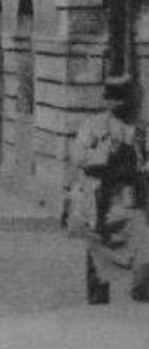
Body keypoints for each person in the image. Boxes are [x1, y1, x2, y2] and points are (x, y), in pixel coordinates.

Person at [68, 75, 148, 305]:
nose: (122, 104)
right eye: (116, 99)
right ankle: (98, 303)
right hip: (101, 198)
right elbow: (78, 155)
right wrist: (105, 157)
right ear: (109, 101)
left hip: (132, 197)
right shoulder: (94, 125)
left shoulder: (140, 128)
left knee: (143, 247)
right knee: (98, 250)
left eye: (127, 99)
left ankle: (142, 298)